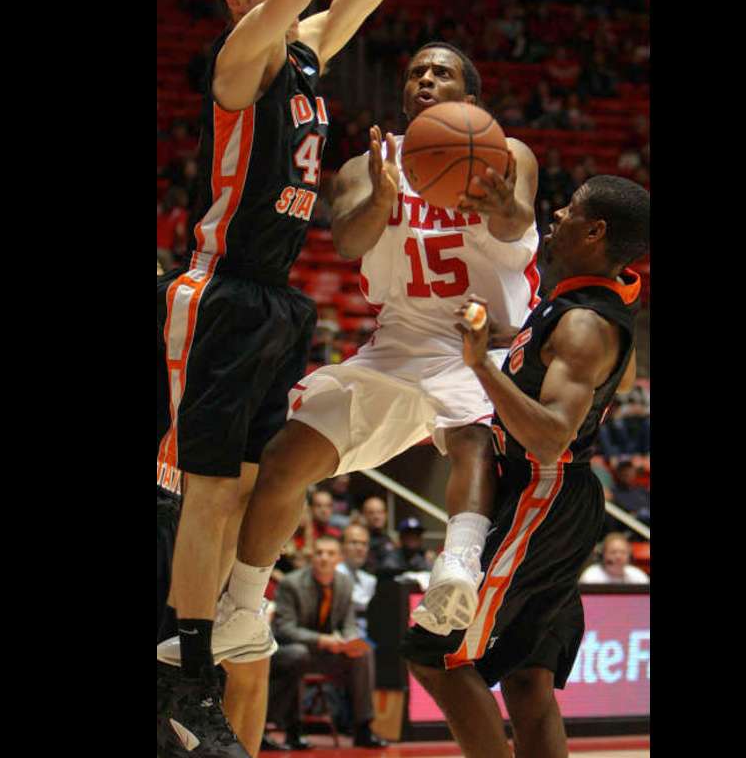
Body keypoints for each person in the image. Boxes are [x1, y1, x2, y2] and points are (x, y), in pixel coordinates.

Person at [156, 0, 433, 758]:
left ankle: (214, 631)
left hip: (279, 298)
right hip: (219, 285)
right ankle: (186, 669)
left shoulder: (310, 51)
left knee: (241, 486)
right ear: (247, 1)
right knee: (208, 490)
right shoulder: (241, 59)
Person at [215, 39, 541, 668]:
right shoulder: (369, 166)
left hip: (481, 342)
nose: (424, 78)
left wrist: (506, 205)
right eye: (416, 70)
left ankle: (457, 568)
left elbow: (514, 222)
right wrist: (384, 200)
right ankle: (245, 613)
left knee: (474, 434)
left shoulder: (508, 154)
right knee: (285, 457)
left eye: (441, 72)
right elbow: (345, 240)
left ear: (469, 98)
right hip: (398, 344)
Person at [401, 175, 650, 758]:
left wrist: (480, 366)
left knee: (434, 654)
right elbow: (566, 363)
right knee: (527, 677)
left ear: (596, 232)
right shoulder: (580, 307)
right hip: (561, 501)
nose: (556, 215)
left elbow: (548, 437)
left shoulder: (585, 323)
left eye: (570, 211)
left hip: (541, 492)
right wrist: (499, 339)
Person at [266, 536, 387, 750]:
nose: (324, 558)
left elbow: (349, 623)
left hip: (329, 653)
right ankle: (293, 731)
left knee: (363, 653)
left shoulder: (344, 584)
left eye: (330, 554)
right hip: (292, 651)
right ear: (311, 557)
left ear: (339, 559)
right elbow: (284, 629)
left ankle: (363, 728)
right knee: (298, 653)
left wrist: (349, 641)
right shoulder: (290, 584)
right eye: (319, 553)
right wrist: (321, 640)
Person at [335, 523, 378, 637]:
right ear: (341, 546)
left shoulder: (370, 580)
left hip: (368, 634)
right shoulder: (333, 576)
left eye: (364, 544)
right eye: (353, 542)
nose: (360, 548)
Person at [579, 532, 650, 585]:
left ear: (630, 556)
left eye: (623, 552)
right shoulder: (591, 576)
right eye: (613, 552)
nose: (618, 557)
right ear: (603, 554)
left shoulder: (638, 576)